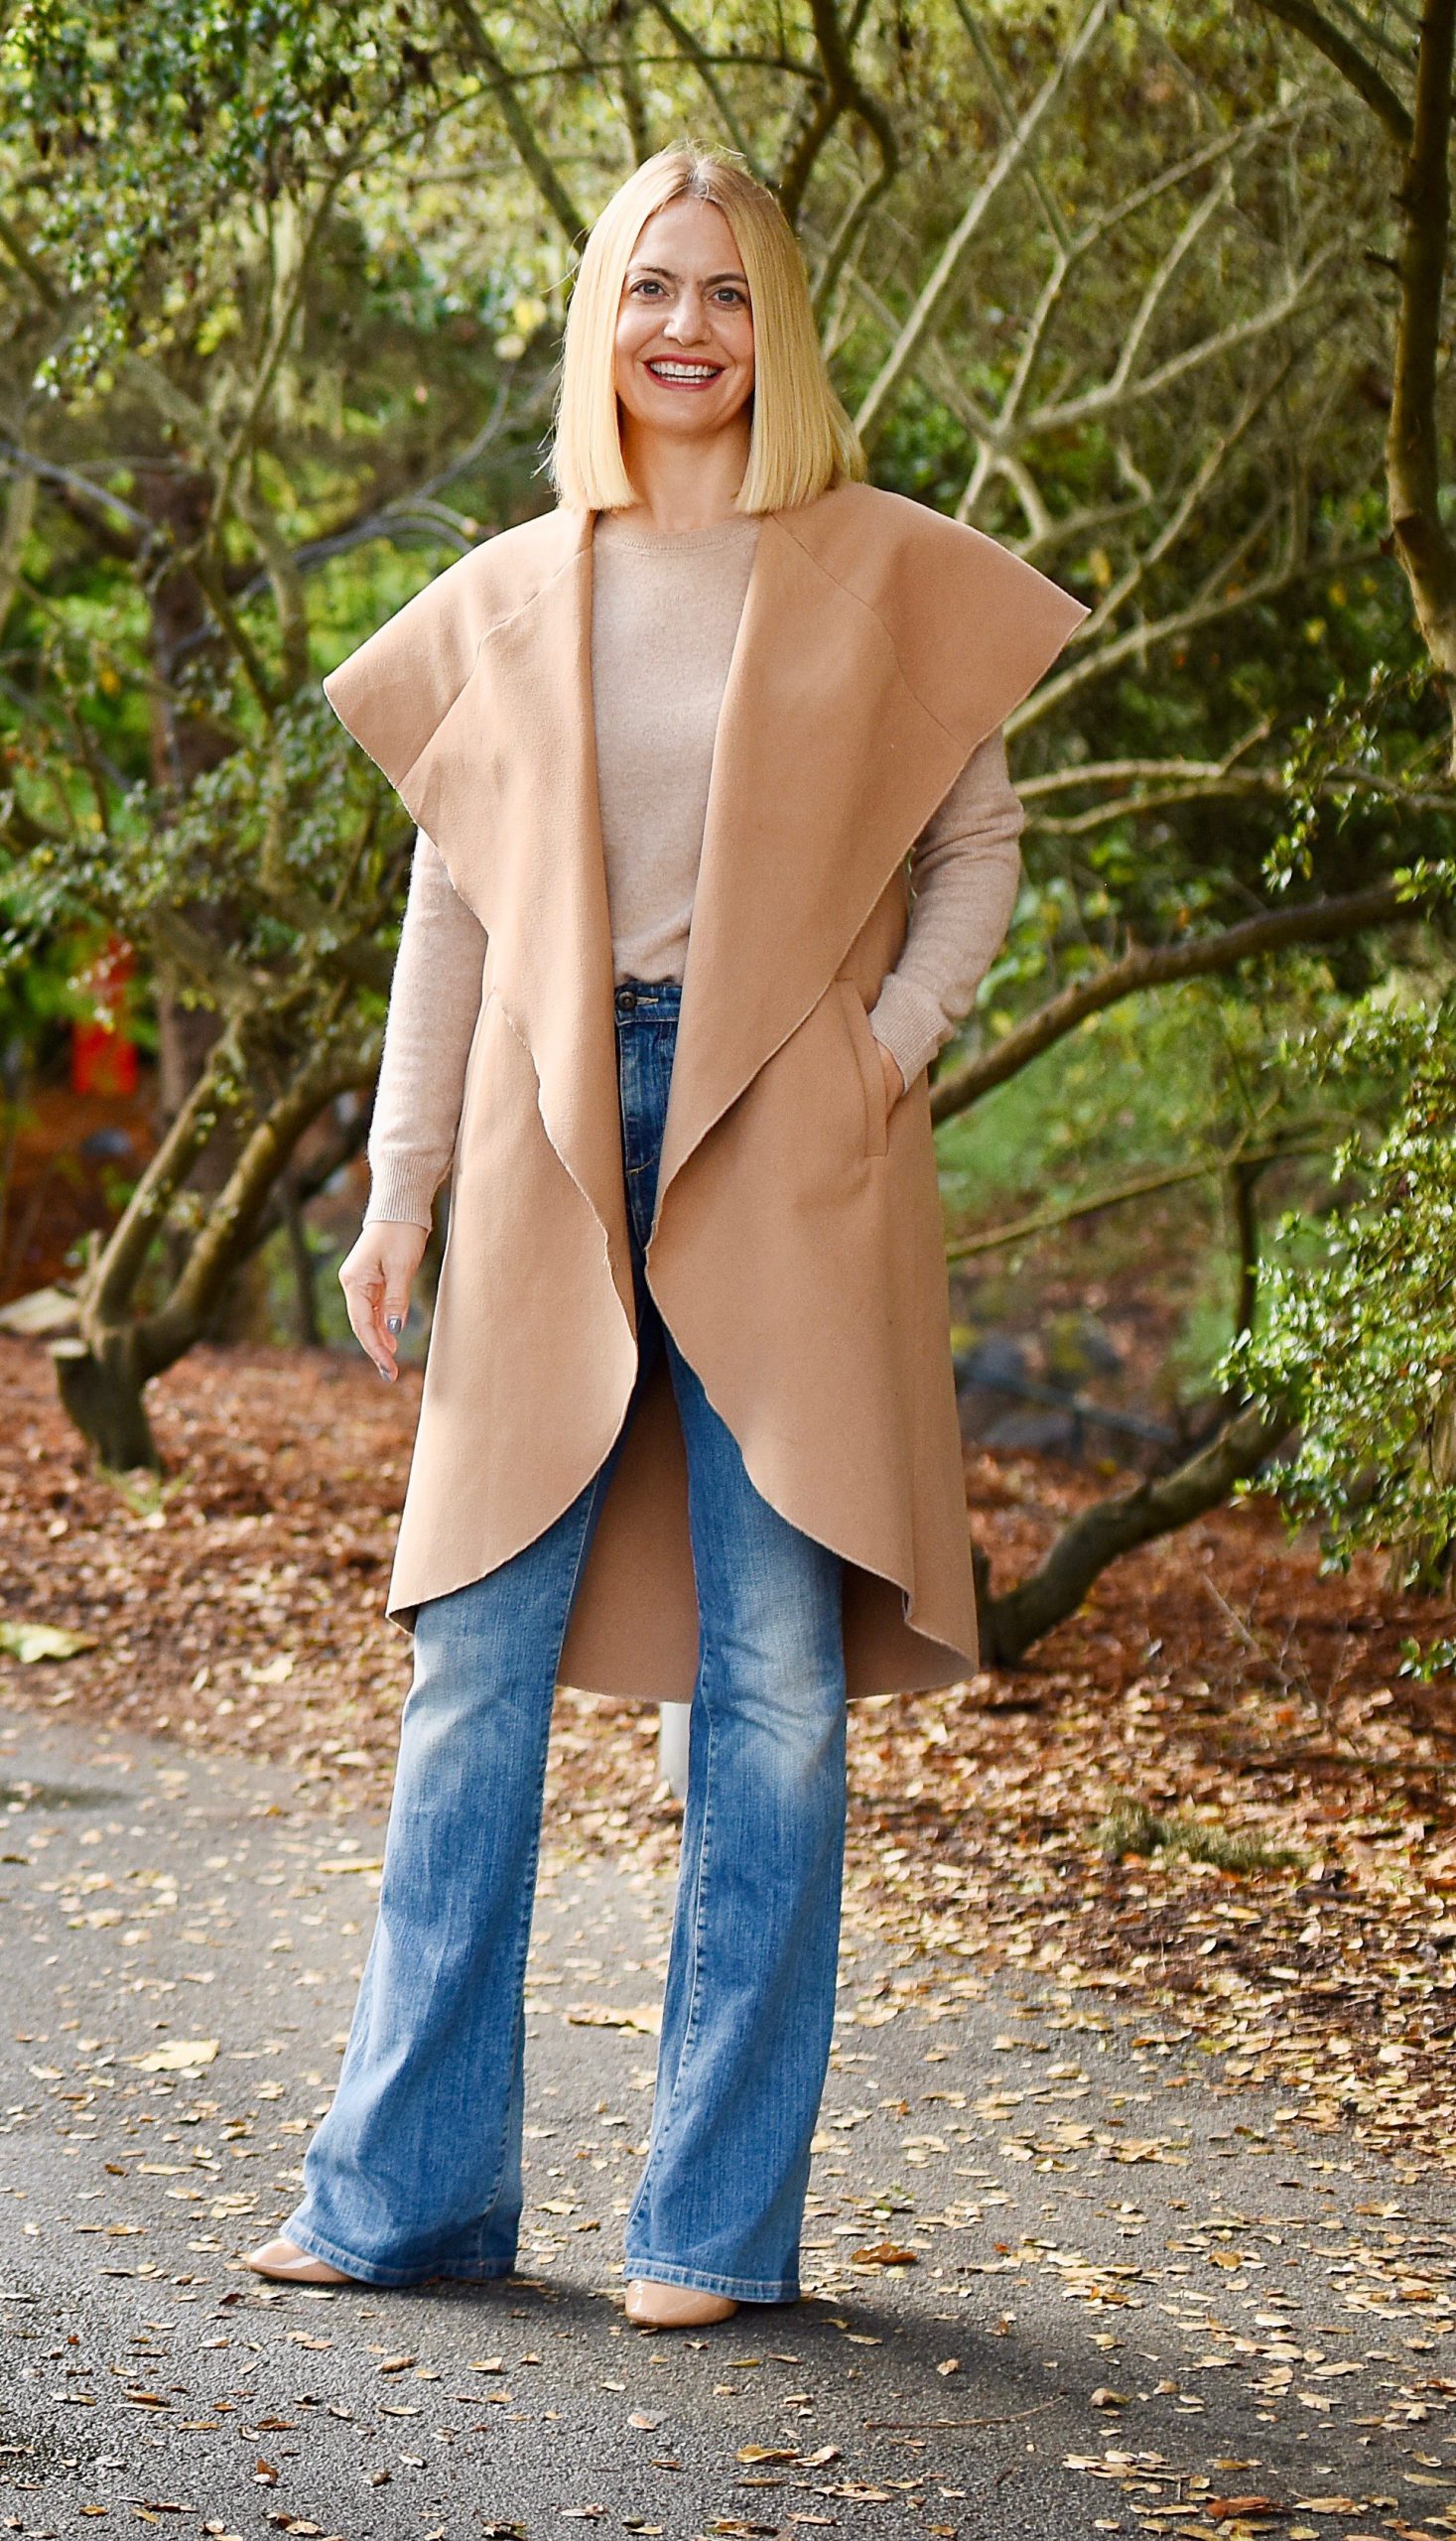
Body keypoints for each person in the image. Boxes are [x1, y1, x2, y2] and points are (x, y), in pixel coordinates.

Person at [244, 141, 1085, 2323]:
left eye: (720, 290)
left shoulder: (873, 569)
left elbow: (975, 841)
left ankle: (707, 2230)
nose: (684, 327)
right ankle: (399, 2193)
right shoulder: (523, 585)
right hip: (546, 1134)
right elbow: (452, 896)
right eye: (646, 287)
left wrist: (883, 1046)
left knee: (773, 1692)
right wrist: (400, 1170)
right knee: (473, 1670)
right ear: (599, 318)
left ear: (772, 326)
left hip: (777, 1133)